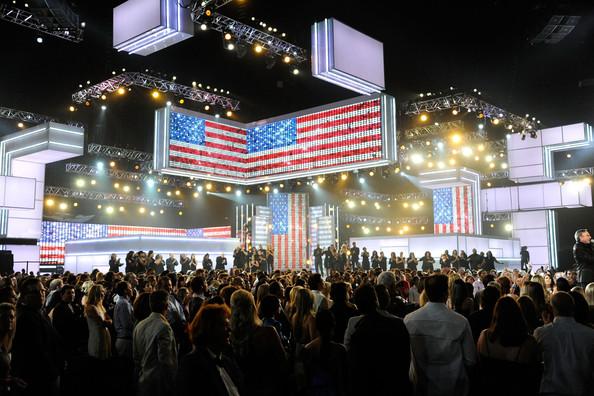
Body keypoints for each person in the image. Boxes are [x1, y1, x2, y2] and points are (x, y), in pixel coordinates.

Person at [404, 274, 476, 396]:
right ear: (446, 293)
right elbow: (470, 360)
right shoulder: (460, 321)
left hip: (421, 387)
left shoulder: (409, 320)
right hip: (453, 387)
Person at [347, 285, 412, 396]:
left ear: (358, 306)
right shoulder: (397, 324)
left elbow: (355, 366)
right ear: (376, 301)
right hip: (395, 384)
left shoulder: (358, 331)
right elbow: (406, 357)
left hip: (369, 386)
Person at [534, 291, 594, 396]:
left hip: (550, 390)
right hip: (580, 390)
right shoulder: (590, 334)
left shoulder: (541, 333)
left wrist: (546, 325)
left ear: (552, 309)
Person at [177, 304, 243, 396]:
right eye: (224, 325)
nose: (229, 329)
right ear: (209, 328)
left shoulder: (227, 361)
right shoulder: (191, 364)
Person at [230, 289, 287, 396]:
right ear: (253, 307)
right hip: (269, 388)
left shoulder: (229, 337)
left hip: (243, 390)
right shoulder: (268, 332)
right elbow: (283, 363)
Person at [11, 277, 63, 396]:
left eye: (42, 291)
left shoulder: (39, 312)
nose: (41, 295)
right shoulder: (25, 317)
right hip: (39, 378)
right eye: (35, 292)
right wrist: (53, 370)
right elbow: (36, 351)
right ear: (24, 296)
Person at [133, 290, 177, 396]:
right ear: (166, 306)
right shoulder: (164, 327)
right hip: (159, 383)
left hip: (143, 378)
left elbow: (136, 356)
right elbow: (166, 360)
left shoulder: (139, 325)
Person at [303, 310, 347, 396]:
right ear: (333, 325)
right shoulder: (340, 350)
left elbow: (306, 379)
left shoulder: (308, 348)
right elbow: (343, 379)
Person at [51, 284, 87, 358]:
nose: (72, 295)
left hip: (77, 341)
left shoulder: (75, 305)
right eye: (69, 293)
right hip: (67, 342)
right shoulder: (59, 308)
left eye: (73, 293)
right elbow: (59, 327)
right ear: (62, 294)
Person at [84, 284, 112, 360]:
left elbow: (108, 319)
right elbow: (103, 323)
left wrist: (108, 321)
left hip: (103, 335)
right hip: (97, 336)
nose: (104, 294)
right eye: (102, 292)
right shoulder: (91, 308)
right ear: (97, 294)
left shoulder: (100, 306)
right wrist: (109, 322)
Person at [113, 281, 135, 359]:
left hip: (125, 339)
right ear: (125, 290)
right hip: (124, 340)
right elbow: (127, 324)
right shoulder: (123, 304)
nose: (132, 290)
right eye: (130, 288)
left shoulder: (124, 302)